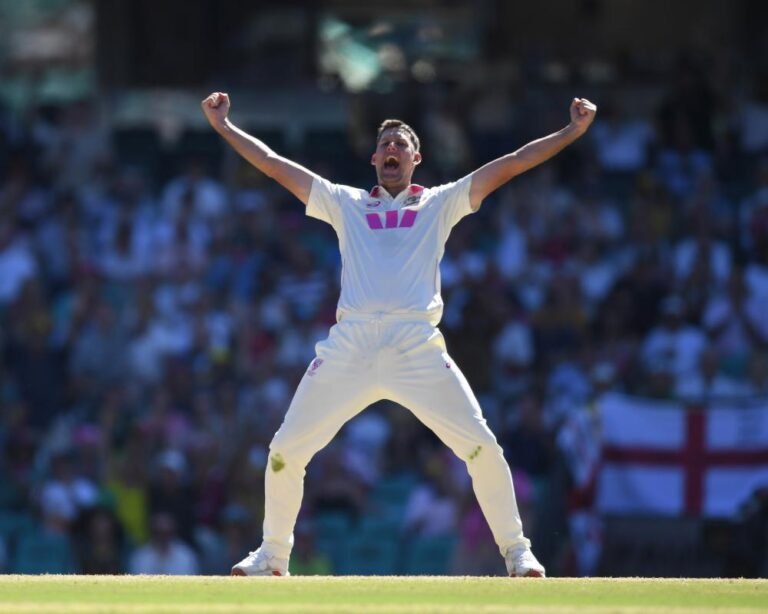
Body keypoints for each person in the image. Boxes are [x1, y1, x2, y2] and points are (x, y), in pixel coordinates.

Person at [201, 91, 597, 577]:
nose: (391, 148)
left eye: (400, 144)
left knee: (481, 446)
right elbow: (274, 164)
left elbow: (511, 165)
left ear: (416, 158)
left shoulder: (441, 202)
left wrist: (571, 132)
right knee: (285, 450)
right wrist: (224, 127)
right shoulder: (344, 202)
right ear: (373, 159)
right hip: (352, 345)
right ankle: (274, 556)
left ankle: (518, 553)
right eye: (384, 143)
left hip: (417, 346)